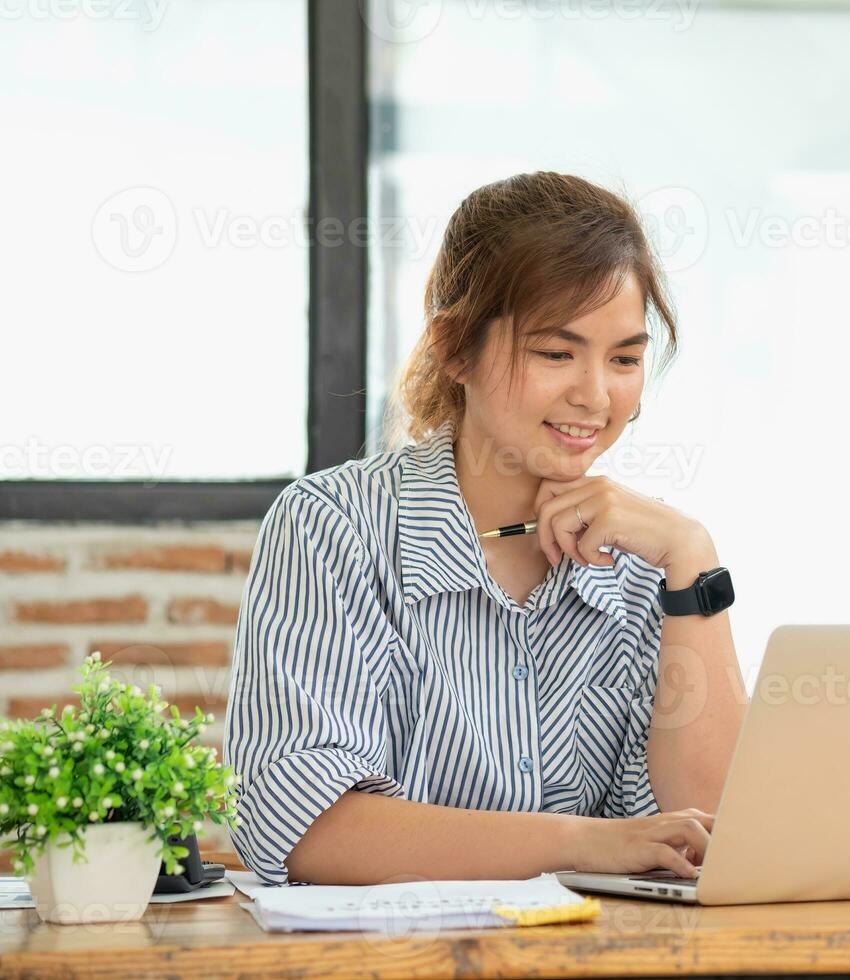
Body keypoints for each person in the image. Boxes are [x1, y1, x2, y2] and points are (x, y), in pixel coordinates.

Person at [223, 172, 744, 885]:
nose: (596, 394)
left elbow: (720, 831)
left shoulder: (647, 562)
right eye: (556, 353)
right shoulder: (334, 527)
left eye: (624, 358)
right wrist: (584, 843)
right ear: (454, 346)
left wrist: (694, 561)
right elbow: (306, 826)